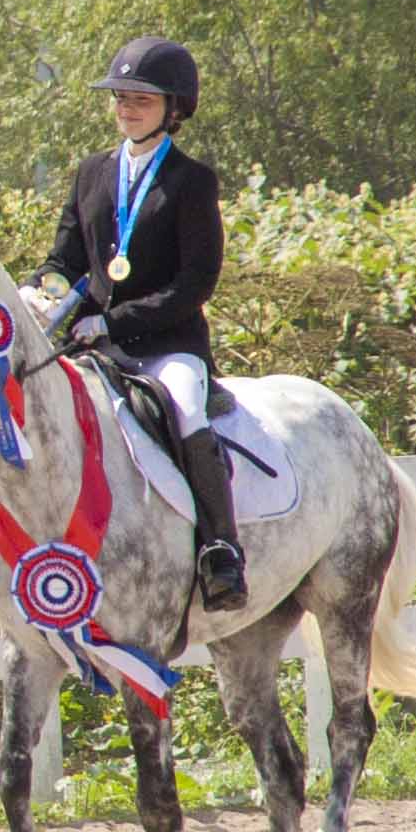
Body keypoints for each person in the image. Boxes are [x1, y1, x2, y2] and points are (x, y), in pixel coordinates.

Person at [44, 36, 247, 608]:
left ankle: (220, 550)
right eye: (120, 98)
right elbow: (64, 260)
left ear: (174, 109)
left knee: (185, 410)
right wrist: (49, 292)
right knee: (36, 409)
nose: (127, 108)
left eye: (143, 99)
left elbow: (195, 283)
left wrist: (116, 322)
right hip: (94, 346)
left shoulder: (191, 180)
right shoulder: (91, 173)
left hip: (166, 345)